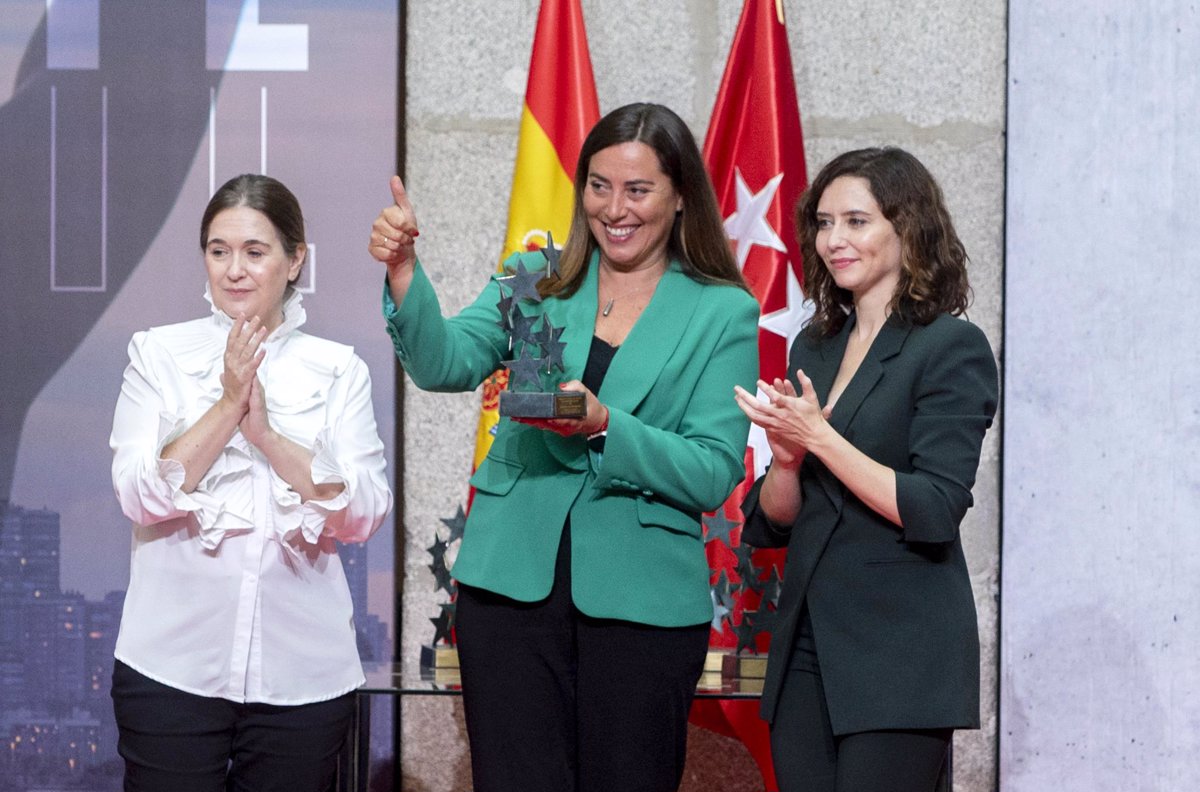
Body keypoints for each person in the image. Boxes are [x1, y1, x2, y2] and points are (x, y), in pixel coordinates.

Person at [369, 102, 760, 792]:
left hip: (642, 605)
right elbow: (445, 362)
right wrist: (404, 271)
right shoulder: (537, 272)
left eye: (638, 190)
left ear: (678, 198)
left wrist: (607, 424)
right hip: (510, 588)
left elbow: (712, 469)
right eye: (599, 185)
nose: (616, 208)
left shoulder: (722, 309)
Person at [109, 174, 393, 792]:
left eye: (255, 252)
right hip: (170, 668)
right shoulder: (157, 355)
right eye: (219, 250)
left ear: (295, 261)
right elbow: (136, 493)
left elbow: (364, 512)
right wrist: (227, 406)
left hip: (303, 676)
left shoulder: (339, 370)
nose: (234, 270)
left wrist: (266, 436)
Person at [734, 148, 998, 792]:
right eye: (823, 224)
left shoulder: (950, 346)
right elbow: (777, 520)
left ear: (907, 229)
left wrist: (820, 438)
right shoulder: (814, 346)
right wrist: (789, 461)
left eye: (856, 221)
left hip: (900, 649)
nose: (833, 240)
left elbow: (934, 507)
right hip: (805, 642)